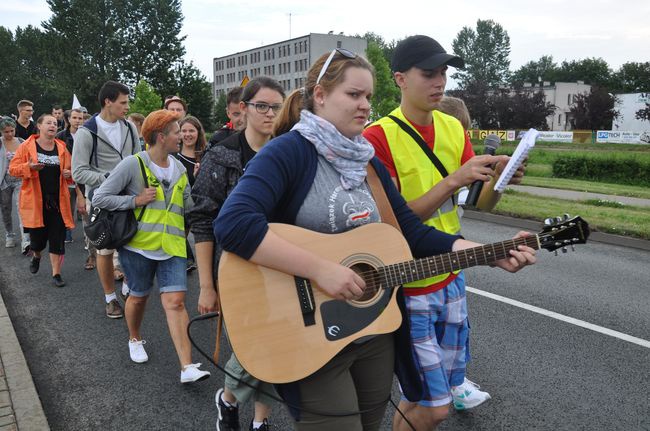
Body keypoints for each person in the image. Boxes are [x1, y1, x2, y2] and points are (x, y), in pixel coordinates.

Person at [213, 49, 536, 431]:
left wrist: (486, 254)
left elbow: (410, 232)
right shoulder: (290, 151)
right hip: (307, 332)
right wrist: (322, 270)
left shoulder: (366, 160)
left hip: (373, 329)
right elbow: (232, 224)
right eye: (354, 95)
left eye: (368, 96)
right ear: (320, 95)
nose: (365, 105)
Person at [362, 35, 525, 430]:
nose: (440, 82)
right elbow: (396, 223)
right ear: (400, 79)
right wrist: (454, 180)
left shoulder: (452, 127)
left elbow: (479, 204)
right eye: (429, 73)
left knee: (436, 399)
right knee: (430, 405)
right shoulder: (377, 137)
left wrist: (499, 180)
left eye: (444, 73)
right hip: (409, 281)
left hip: (453, 275)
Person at [189, 76, 285, 431]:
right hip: (234, 271)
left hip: (282, 267)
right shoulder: (223, 154)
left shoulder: (288, 151)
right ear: (243, 109)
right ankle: (228, 398)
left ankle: (260, 421)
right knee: (252, 348)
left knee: (277, 345)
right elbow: (202, 221)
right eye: (262, 106)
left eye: (276, 106)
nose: (269, 114)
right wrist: (205, 286)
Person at [92, 109, 211, 383]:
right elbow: (100, 198)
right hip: (138, 247)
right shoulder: (133, 164)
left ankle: (187, 367)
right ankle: (135, 338)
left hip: (172, 247)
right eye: (176, 132)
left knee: (176, 303)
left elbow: (190, 207)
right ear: (161, 136)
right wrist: (134, 201)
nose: (181, 136)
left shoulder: (180, 168)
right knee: (139, 297)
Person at [72, 80, 141, 319]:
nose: (127, 106)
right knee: (105, 250)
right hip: (102, 201)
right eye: (123, 102)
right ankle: (110, 299)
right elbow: (78, 172)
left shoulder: (130, 128)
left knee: (132, 243)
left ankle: (127, 285)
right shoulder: (87, 132)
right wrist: (110, 178)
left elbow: (137, 159)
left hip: (131, 198)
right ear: (107, 102)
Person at [9, 114, 74, 287]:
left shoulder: (61, 147)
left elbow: (71, 171)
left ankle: (56, 274)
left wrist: (69, 174)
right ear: (39, 126)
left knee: (57, 238)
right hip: (35, 202)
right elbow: (13, 169)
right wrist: (28, 167)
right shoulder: (26, 146)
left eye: (55, 123)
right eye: (48, 123)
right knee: (38, 241)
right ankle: (36, 256)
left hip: (58, 202)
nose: (53, 125)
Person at [175, 115, 206, 272]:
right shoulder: (174, 157)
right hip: (179, 208)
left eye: (191, 131)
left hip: (200, 208)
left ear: (198, 133)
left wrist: (198, 178)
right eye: (183, 131)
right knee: (180, 238)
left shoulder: (206, 155)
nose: (187, 134)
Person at [57, 109, 87, 244]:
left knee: (85, 207)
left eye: (80, 118)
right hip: (67, 177)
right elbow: (56, 156)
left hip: (84, 176)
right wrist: (63, 170)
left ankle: (90, 237)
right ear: (68, 120)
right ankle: (67, 233)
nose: (77, 121)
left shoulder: (87, 134)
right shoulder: (61, 136)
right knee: (67, 206)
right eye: (74, 118)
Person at [0, 116, 29, 252]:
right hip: (4, 181)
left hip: (19, 180)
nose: (10, 134)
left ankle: (26, 240)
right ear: (1, 131)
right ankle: (9, 234)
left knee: (21, 209)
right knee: (6, 209)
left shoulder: (22, 142)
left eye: (12, 131)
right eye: (6, 132)